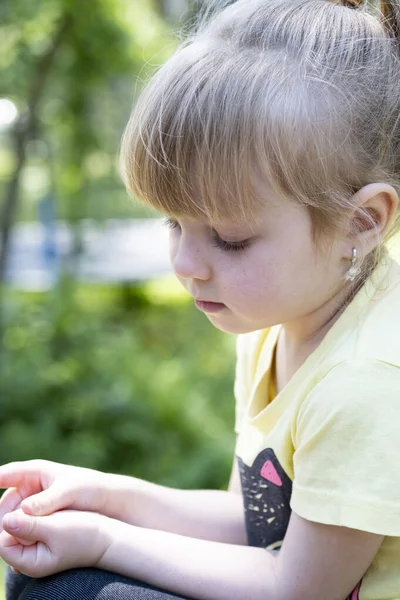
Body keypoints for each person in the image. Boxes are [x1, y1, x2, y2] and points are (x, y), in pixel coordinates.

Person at [1, 0, 400, 597]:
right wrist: (105, 498)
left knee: (72, 585)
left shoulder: (366, 380)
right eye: (173, 223)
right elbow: (257, 526)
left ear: (361, 223)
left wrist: (107, 540)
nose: (186, 265)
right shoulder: (277, 319)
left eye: (230, 239)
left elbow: (297, 588)